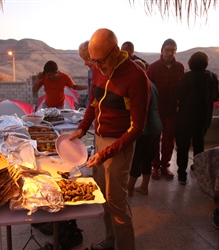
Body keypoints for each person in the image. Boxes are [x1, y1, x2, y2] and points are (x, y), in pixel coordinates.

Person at [70, 28, 150, 250]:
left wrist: (105, 153)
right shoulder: (98, 69)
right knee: (103, 198)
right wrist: (82, 127)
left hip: (120, 144)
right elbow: (94, 103)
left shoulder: (136, 78)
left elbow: (137, 128)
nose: (98, 66)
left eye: (101, 61)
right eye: (93, 61)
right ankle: (110, 241)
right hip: (100, 139)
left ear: (116, 51)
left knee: (116, 202)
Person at [176, 51, 219, 184]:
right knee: (199, 144)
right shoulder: (212, 77)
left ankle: (182, 173)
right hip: (203, 117)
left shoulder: (186, 77)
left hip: (185, 116)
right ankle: (198, 168)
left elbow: (179, 96)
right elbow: (215, 97)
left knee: (183, 145)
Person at [146, 38, 185, 180]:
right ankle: (155, 166)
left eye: (173, 50)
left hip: (172, 110)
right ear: (161, 51)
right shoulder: (153, 68)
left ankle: (165, 165)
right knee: (155, 138)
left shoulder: (180, 67)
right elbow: (148, 90)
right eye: (167, 50)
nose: (170, 53)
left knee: (169, 139)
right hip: (156, 110)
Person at [127, 59, 162, 196]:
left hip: (145, 129)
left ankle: (129, 188)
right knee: (147, 159)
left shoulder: (140, 85)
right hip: (156, 127)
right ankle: (144, 187)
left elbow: (139, 110)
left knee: (136, 159)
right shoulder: (151, 84)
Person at [78, 40, 96, 107]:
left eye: (87, 59)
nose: (85, 63)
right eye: (84, 60)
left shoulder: (108, 74)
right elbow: (90, 97)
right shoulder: (90, 73)